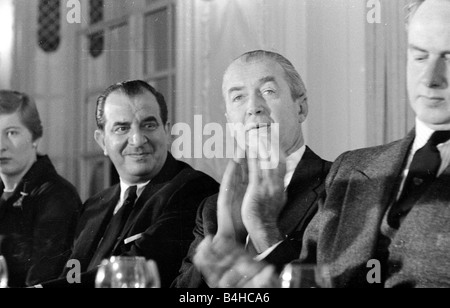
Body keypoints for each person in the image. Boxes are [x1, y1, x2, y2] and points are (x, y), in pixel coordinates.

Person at [193, 0, 450, 288]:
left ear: (301, 108)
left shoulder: (326, 178)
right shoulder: (351, 169)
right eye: (419, 56)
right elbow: (306, 279)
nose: (430, 79)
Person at [173, 50, 331, 288]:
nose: (254, 107)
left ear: (301, 108)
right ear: (229, 121)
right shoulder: (211, 210)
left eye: (268, 91)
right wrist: (226, 243)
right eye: (238, 97)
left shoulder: (339, 185)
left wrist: (264, 231)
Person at [39, 80, 219, 288]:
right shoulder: (94, 205)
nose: (137, 139)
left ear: (167, 131)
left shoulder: (194, 189)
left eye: (149, 125)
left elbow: (135, 271)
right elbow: (73, 271)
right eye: (122, 128)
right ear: (102, 141)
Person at [0, 90, 81, 287]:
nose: (1, 145)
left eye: (11, 133)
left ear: (35, 137)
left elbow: (42, 282)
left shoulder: (56, 197)